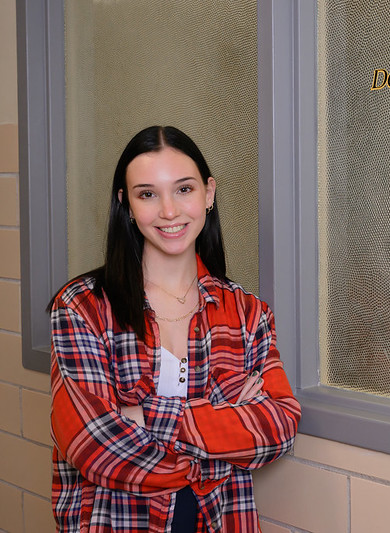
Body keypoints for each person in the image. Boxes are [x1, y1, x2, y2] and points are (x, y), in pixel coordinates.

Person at [49, 125, 301, 532]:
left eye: (184, 189)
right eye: (147, 194)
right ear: (126, 204)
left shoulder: (246, 312)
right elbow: (89, 443)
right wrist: (223, 423)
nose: (169, 211)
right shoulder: (83, 306)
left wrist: (142, 417)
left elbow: (279, 428)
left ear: (209, 193)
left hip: (221, 521)